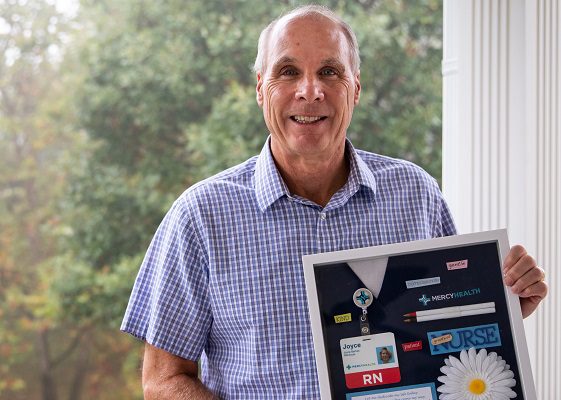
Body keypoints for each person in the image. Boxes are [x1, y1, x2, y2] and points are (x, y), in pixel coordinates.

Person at [121, 5, 548, 399]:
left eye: (329, 71)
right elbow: (163, 380)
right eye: (287, 72)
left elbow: (444, 331)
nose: (310, 91)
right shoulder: (200, 215)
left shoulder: (414, 193)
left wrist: (503, 309)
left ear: (355, 88)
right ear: (260, 89)